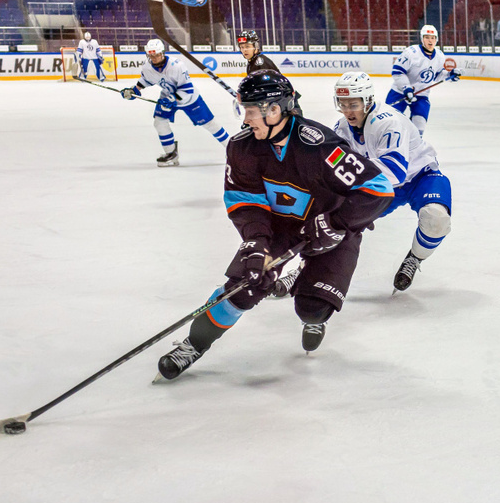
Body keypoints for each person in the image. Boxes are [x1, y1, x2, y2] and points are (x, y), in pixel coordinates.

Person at [155, 70, 394, 380]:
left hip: (330, 224)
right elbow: (246, 203)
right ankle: (194, 344)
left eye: (252, 111)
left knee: (312, 309)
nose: (247, 118)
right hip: (278, 227)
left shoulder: (319, 144)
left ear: (275, 110)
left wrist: (336, 222)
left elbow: (377, 189)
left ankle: (308, 287)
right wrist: (255, 243)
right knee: (243, 285)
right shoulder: (242, 148)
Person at [329, 72, 452, 292]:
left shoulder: (387, 123)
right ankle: (304, 267)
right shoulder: (342, 128)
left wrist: (353, 189)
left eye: (353, 104)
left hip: (420, 177)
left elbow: (394, 171)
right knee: (334, 220)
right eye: (343, 104)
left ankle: (414, 258)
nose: (348, 111)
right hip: (382, 183)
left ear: (367, 101)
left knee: (436, 219)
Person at [120, 39, 230, 167]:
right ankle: (171, 154)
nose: (154, 58)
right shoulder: (147, 67)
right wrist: (133, 91)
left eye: (156, 55)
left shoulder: (177, 65)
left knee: (210, 124)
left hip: (189, 98)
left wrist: (173, 99)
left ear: (163, 53)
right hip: (167, 97)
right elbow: (145, 81)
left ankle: (233, 150)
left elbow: (187, 89)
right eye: (151, 55)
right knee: (159, 122)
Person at [386, 25, 462, 136]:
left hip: (421, 95)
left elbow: (437, 75)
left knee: (419, 127)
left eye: (433, 37)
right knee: (388, 124)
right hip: (400, 93)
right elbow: (397, 72)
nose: (430, 40)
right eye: (427, 37)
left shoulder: (440, 56)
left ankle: (414, 149)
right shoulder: (411, 52)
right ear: (422, 39)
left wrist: (450, 74)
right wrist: (406, 88)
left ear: (436, 39)